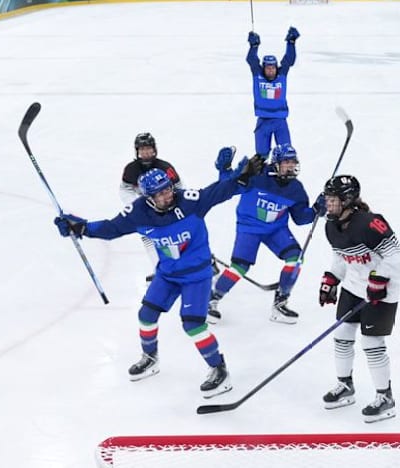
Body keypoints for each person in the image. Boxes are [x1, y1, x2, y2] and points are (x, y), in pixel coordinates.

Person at [53, 152, 265, 398]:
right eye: (160, 194)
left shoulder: (190, 201)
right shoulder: (138, 212)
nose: (167, 196)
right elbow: (111, 229)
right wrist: (80, 227)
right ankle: (150, 358)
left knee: (193, 325)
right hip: (167, 274)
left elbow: (220, 190)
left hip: (197, 275)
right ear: (148, 197)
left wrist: (243, 178)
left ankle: (219, 370)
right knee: (146, 315)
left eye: (168, 190)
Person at [318, 174, 400, 423]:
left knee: (371, 343)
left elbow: (396, 257)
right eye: (327, 199)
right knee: (342, 335)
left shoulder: (371, 223)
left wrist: (380, 279)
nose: (328, 204)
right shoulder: (330, 226)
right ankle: (345, 386)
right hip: (354, 288)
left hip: (382, 293)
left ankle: (385, 397)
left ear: (347, 200)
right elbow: (341, 257)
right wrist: (332, 278)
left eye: (333, 200)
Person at [209, 144, 318, 324]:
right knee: (239, 268)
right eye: (286, 162)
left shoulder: (296, 188)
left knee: (295, 259)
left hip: (276, 229)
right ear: (275, 163)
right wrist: (224, 169)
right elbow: (227, 186)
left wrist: (316, 209)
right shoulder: (257, 174)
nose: (290, 166)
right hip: (249, 227)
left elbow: (300, 218)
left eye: (293, 162)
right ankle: (212, 299)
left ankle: (280, 304)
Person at [120, 133, 184, 283]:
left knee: (180, 236)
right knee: (148, 238)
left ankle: (205, 261)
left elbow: (179, 187)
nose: (146, 153)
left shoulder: (165, 167)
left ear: (154, 149)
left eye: (148, 149)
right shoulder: (131, 169)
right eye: (142, 150)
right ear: (137, 151)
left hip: (167, 207)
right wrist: (136, 205)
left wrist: (173, 204)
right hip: (147, 212)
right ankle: (159, 268)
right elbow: (124, 189)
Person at [246, 27, 299, 157]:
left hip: (280, 120)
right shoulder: (257, 75)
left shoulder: (282, 75)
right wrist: (254, 46)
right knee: (260, 156)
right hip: (263, 119)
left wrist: (291, 43)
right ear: (263, 68)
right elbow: (251, 60)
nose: (270, 70)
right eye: (268, 68)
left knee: (287, 153)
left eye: (273, 67)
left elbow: (289, 60)